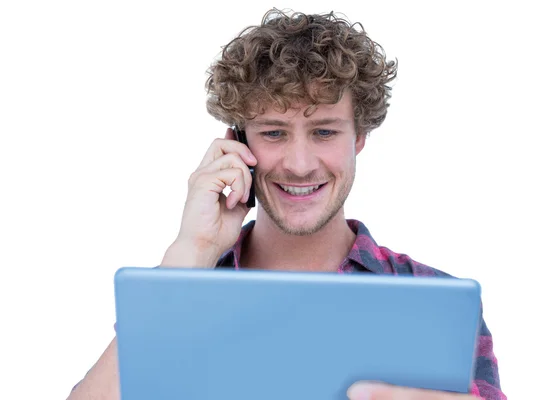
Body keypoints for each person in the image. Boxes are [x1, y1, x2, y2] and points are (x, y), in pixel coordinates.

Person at [68, 9, 506, 400]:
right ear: (237, 141)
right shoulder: (176, 295)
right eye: (274, 132)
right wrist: (189, 256)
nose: (299, 165)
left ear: (359, 138)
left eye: (324, 132)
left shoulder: (432, 303)